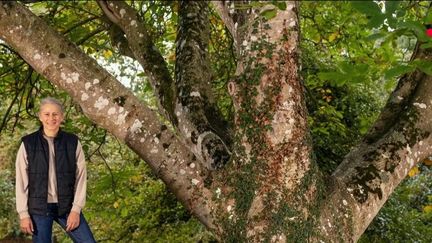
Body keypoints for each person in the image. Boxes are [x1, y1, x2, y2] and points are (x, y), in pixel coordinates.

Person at [15, 97, 96, 243]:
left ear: (62, 116)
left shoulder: (72, 142)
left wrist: (76, 210)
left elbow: (81, 178)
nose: (51, 118)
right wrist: (23, 213)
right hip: (39, 208)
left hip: (67, 207)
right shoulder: (28, 143)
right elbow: (21, 181)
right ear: (40, 116)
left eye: (55, 114)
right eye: (47, 114)